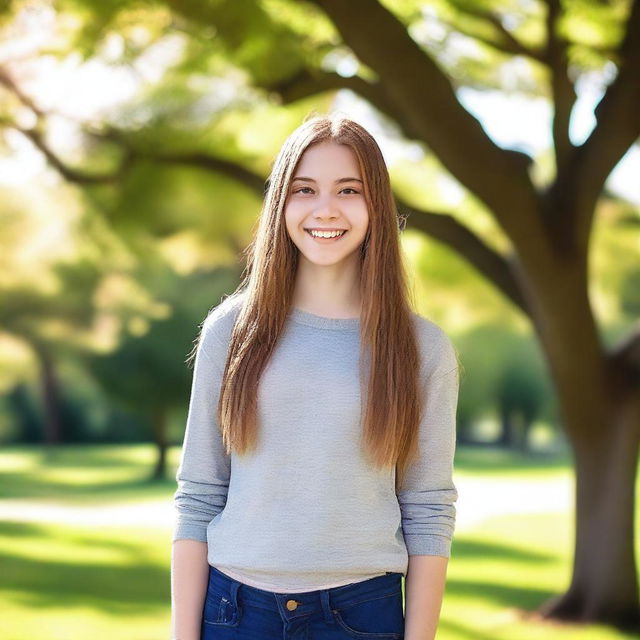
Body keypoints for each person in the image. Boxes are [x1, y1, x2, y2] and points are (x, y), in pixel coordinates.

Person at [171, 112, 461, 640]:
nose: (325, 209)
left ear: (376, 204)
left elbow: (428, 509)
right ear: (281, 202)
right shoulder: (231, 331)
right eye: (305, 189)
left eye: (348, 190)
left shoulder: (422, 349)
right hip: (234, 610)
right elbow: (199, 493)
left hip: (361, 612)